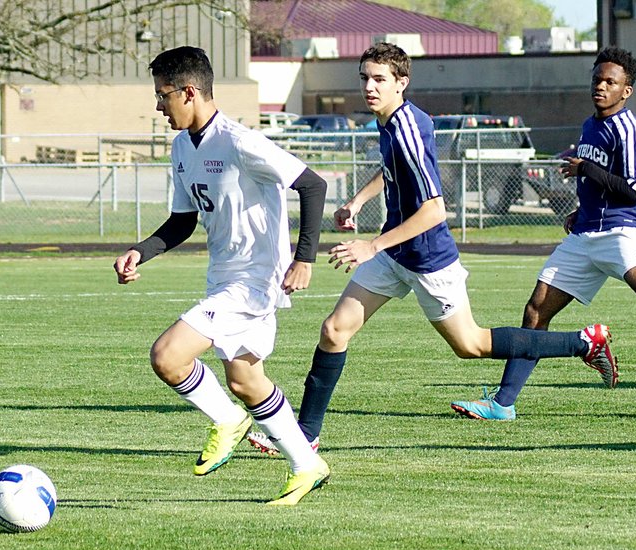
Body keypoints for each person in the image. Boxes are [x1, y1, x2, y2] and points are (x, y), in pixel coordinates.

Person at [246, 42, 617, 456]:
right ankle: (305, 435)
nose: (370, 86)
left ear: (402, 83)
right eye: (365, 78)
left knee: (470, 345)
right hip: (396, 253)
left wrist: (372, 245)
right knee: (335, 330)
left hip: (427, 260)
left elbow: (435, 210)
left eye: (380, 79)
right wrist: (359, 202)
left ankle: (584, 342)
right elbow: (392, 172)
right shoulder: (390, 122)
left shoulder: (405, 128)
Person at [451, 46, 636, 421]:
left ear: (626, 91)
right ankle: (503, 404)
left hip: (621, 232)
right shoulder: (590, 125)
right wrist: (582, 209)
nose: (602, 86)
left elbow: (633, 190)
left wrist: (586, 169)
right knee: (535, 311)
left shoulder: (629, 130)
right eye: (598, 79)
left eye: (611, 82)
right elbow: (599, 182)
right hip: (585, 236)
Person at [113, 46, 330, 505]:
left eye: (162, 95)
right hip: (223, 279)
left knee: (168, 356)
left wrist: (304, 258)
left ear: (189, 92)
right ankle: (306, 464)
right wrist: (141, 251)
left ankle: (228, 422)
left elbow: (312, 184)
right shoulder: (181, 148)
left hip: (254, 282)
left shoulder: (239, 141)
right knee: (245, 381)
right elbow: (182, 222)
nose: (158, 106)